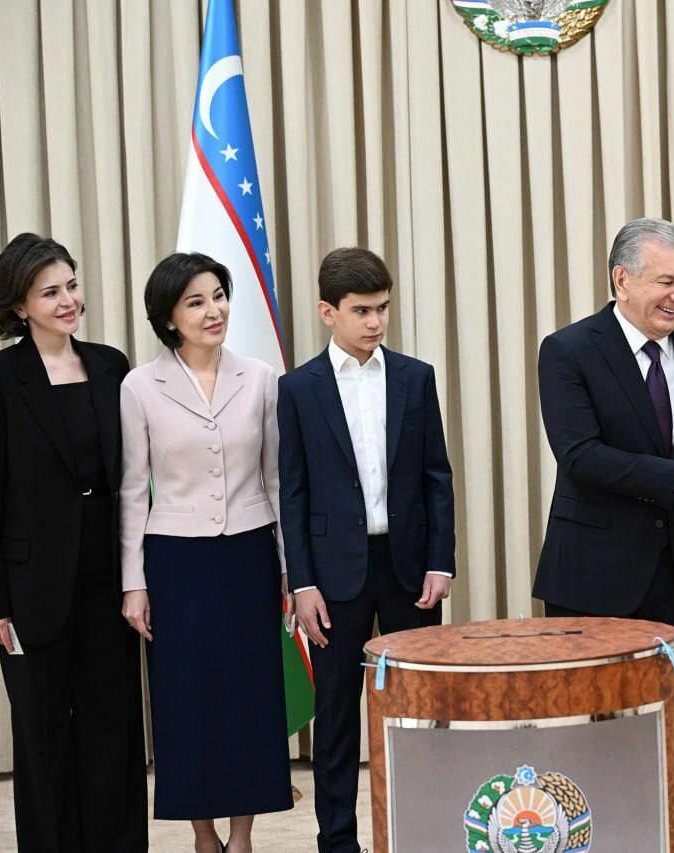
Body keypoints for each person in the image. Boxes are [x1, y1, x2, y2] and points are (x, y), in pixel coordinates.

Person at [533, 217, 674, 811]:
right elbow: (580, 455)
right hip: (592, 580)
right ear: (621, 279)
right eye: (667, 282)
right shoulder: (569, 350)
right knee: (589, 736)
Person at [278, 247, 455, 853]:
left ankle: (423, 832)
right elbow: (294, 491)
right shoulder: (298, 388)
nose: (376, 321)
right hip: (333, 578)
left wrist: (440, 561)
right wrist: (303, 583)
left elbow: (436, 475)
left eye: (382, 308)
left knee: (420, 706)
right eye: (361, 310)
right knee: (335, 714)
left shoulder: (415, 377)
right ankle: (337, 841)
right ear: (328, 312)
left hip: (409, 569)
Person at [120, 252, 293, 853]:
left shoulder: (261, 377)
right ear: (169, 317)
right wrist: (134, 581)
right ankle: (202, 834)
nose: (213, 310)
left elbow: (277, 480)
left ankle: (242, 836)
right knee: (186, 698)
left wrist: (290, 570)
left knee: (250, 697)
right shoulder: (140, 385)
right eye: (195, 301)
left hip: (249, 555)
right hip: (175, 562)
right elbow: (131, 490)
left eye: (218, 296)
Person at [0, 234, 147, 851]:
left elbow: (132, 478)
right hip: (30, 588)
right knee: (42, 735)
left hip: (108, 578)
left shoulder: (110, 366)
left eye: (71, 285)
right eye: (50, 292)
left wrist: (138, 576)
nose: (68, 300)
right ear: (19, 306)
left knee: (113, 728)